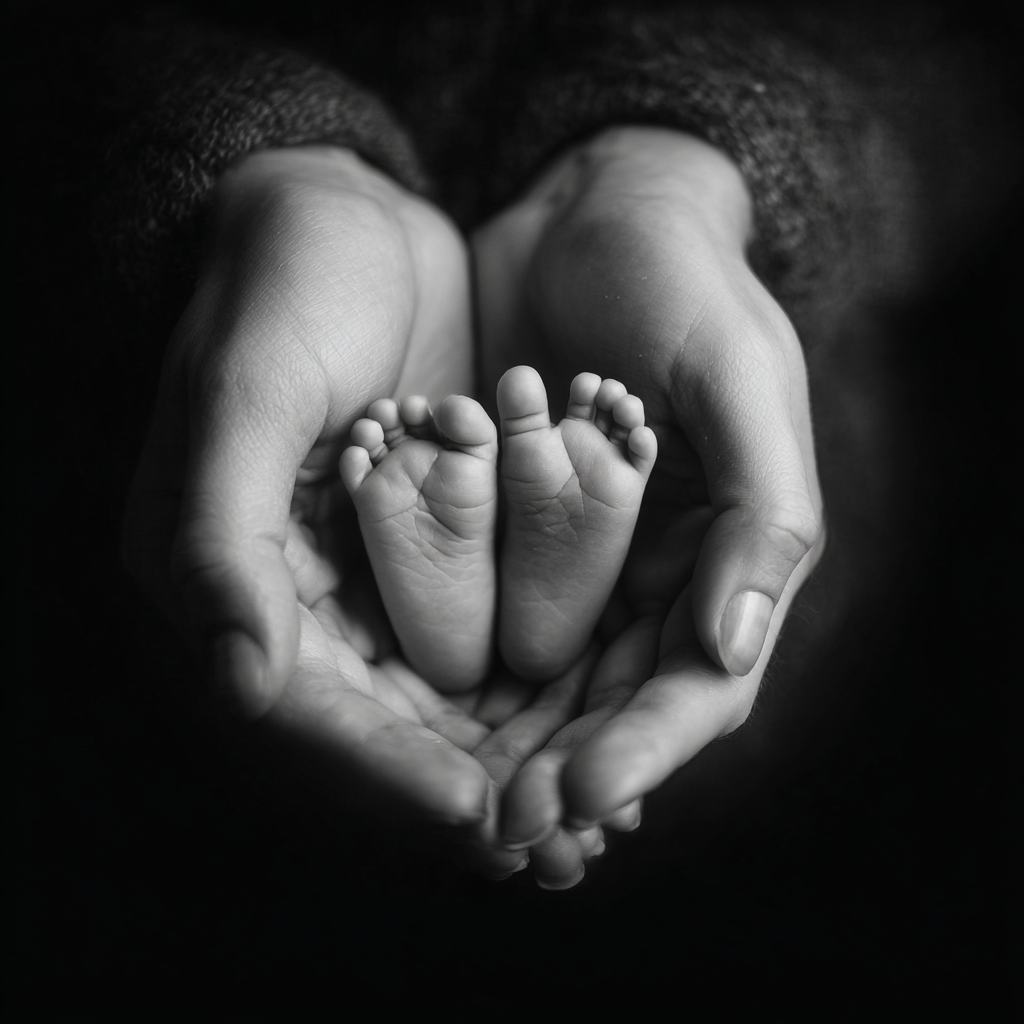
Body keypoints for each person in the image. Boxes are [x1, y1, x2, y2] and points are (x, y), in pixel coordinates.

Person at [102, 3, 1016, 889]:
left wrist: (269, 173)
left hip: (188, 675)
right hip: (735, 608)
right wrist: (688, 165)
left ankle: (452, 576)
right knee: (685, 628)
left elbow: (980, 66)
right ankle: (520, 584)